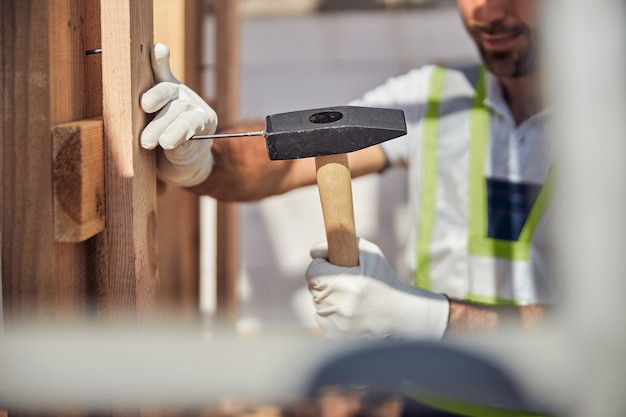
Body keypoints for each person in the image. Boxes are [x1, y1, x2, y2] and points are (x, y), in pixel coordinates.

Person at [140, 0, 553, 341]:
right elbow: (284, 164)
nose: (486, 12)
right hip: (431, 391)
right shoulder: (435, 95)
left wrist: (428, 321)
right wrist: (203, 159)